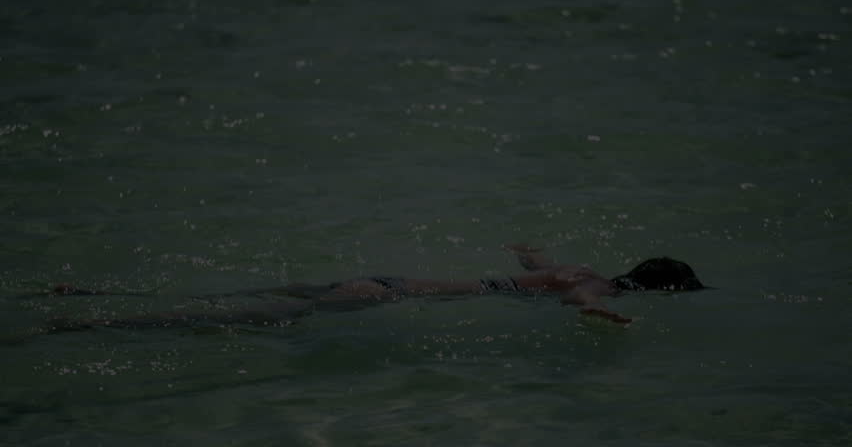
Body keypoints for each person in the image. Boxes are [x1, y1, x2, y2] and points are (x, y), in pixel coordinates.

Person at [46, 244, 709, 331]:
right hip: (386, 298)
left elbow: (551, 267)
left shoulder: (581, 264)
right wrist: (604, 322)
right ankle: (82, 326)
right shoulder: (600, 290)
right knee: (246, 317)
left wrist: (528, 251)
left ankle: (88, 297)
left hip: (384, 280)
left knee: (242, 291)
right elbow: (582, 302)